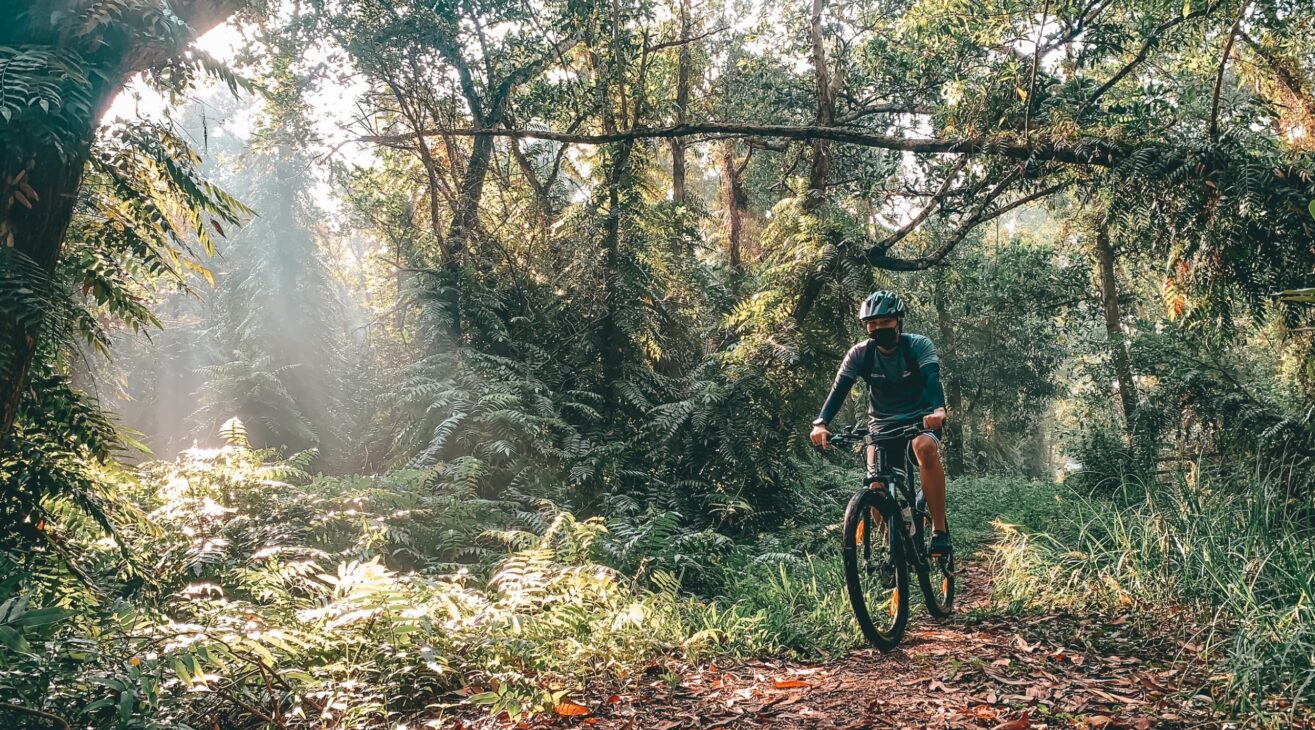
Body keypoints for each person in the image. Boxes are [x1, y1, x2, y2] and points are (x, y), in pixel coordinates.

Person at [809, 290, 952, 557]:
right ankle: (895, 546)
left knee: (924, 448)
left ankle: (939, 532)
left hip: (920, 420)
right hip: (882, 426)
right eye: (871, 324)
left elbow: (932, 379)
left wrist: (938, 410)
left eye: (884, 322)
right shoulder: (860, 354)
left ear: (898, 321)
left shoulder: (917, 345)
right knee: (875, 485)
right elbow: (839, 389)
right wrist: (821, 423)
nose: (877, 328)